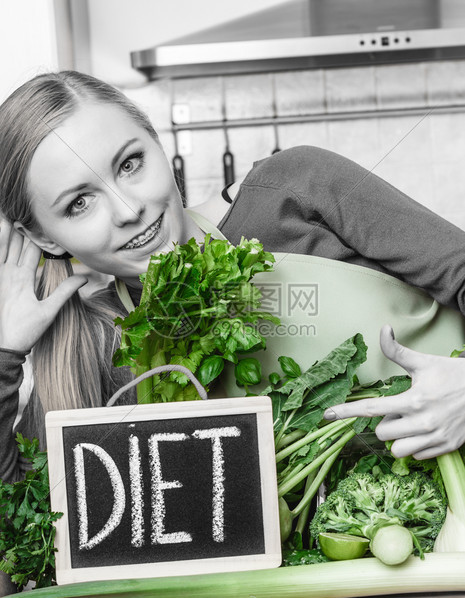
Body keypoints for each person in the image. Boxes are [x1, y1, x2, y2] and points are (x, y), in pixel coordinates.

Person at [2, 69, 465, 490]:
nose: (128, 210)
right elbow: (25, 512)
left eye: (130, 164)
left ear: (156, 142)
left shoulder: (294, 187)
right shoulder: (98, 343)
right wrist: (5, 354)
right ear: (43, 236)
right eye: (79, 203)